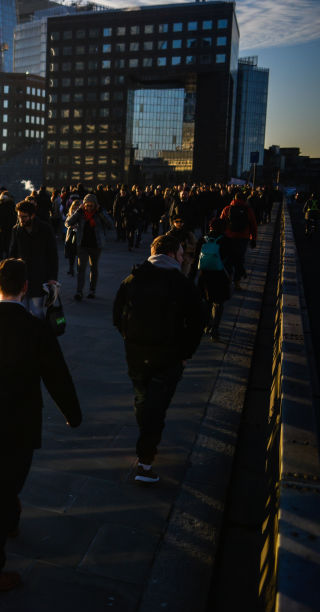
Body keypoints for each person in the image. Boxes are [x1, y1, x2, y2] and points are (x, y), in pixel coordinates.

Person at [0, 258, 82, 595]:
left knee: (0, 476)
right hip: (21, 421)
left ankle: (10, 513)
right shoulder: (37, 329)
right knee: (1, 495)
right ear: (25, 287)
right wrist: (72, 412)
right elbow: (57, 376)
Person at [113, 234, 206, 484]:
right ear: (171, 255)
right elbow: (198, 323)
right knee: (157, 406)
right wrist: (185, 354)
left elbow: (116, 314)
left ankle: (146, 437)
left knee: (143, 399)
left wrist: (128, 337)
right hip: (169, 357)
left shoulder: (132, 279)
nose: (183, 257)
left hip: (136, 354)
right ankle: (145, 461)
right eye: (180, 253)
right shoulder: (183, 284)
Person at [9, 200, 59, 316]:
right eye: (19, 216)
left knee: (37, 311)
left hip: (39, 277)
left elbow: (52, 255)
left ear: (32, 215)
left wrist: (52, 278)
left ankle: (37, 333)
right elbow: (12, 254)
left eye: (24, 217)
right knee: (22, 312)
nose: (21, 220)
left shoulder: (45, 229)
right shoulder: (16, 230)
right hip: (21, 278)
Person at [65, 194, 114, 301]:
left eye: (92, 206)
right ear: (84, 205)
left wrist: (100, 212)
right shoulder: (81, 213)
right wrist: (78, 211)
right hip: (82, 245)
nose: (89, 208)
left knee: (94, 268)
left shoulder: (100, 213)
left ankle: (92, 290)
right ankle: (79, 291)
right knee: (81, 269)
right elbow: (68, 222)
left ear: (96, 205)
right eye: (87, 205)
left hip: (96, 245)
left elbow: (110, 225)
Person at [196, 218, 234, 342]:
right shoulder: (226, 241)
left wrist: (191, 277)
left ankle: (206, 325)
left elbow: (196, 260)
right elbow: (233, 259)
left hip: (204, 275)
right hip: (220, 275)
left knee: (206, 302)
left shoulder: (202, 239)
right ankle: (215, 329)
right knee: (218, 303)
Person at [219, 191, 258, 290]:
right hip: (242, 238)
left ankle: (228, 278)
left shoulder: (227, 209)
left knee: (228, 260)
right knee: (239, 260)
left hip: (229, 237)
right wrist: (253, 239)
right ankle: (237, 283)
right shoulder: (248, 210)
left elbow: (220, 223)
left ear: (234, 198)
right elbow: (253, 225)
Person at [0, 190, 16, 260]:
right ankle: (7, 252)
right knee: (8, 238)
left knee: (1, 238)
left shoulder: (0, 204)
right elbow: (14, 215)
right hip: (10, 224)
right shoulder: (12, 203)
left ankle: (1, 253)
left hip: (2, 225)